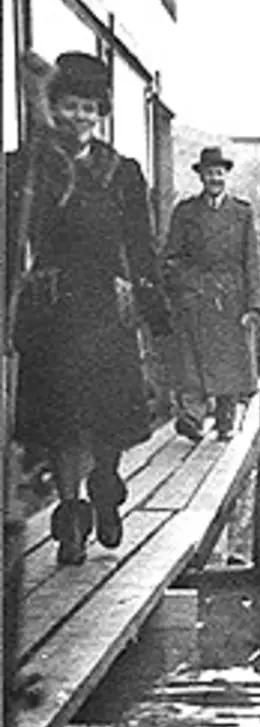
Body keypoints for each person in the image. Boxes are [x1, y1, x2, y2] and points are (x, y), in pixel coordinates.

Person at [7, 52, 171, 565]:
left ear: (100, 114)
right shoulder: (27, 168)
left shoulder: (121, 172)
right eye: (69, 106)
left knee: (107, 415)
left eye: (88, 108)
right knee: (61, 420)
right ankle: (72, 517)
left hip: (106, 306)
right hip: (51, 310)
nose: (78, 116)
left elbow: (140, 244)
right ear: (53, 108)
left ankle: (105, 482)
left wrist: (151, 301)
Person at [164, 147, 260, 442]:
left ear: (226, 176)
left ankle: (225, 420)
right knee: (193, 359)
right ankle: (192, 418)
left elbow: (253, 261)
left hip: (231, 297)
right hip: (196, 295)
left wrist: (255, 304)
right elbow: (171, 256)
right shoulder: (185, 212)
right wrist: (185, 285)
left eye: (219, 173)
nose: (214, 178)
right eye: (209, 173)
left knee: (229, 360)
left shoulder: (242, 213)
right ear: (201, 176)